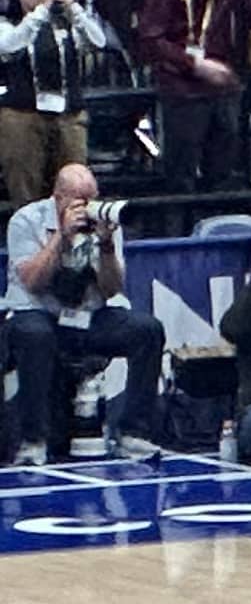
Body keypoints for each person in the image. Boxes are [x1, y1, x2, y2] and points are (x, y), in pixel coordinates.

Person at [5, 162, 167, 465]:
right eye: (79, 200)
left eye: (91, 198)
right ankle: (33, 441)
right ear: (58, 198)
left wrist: (105, 245)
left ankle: (134, 433)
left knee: (146, 329)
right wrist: (61, 238)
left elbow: (111, 289)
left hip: (89, 315)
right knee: (33, 334)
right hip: (39, 313)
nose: (87, 207)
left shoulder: (103, 221)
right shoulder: (25, 220)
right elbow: (33, 282)